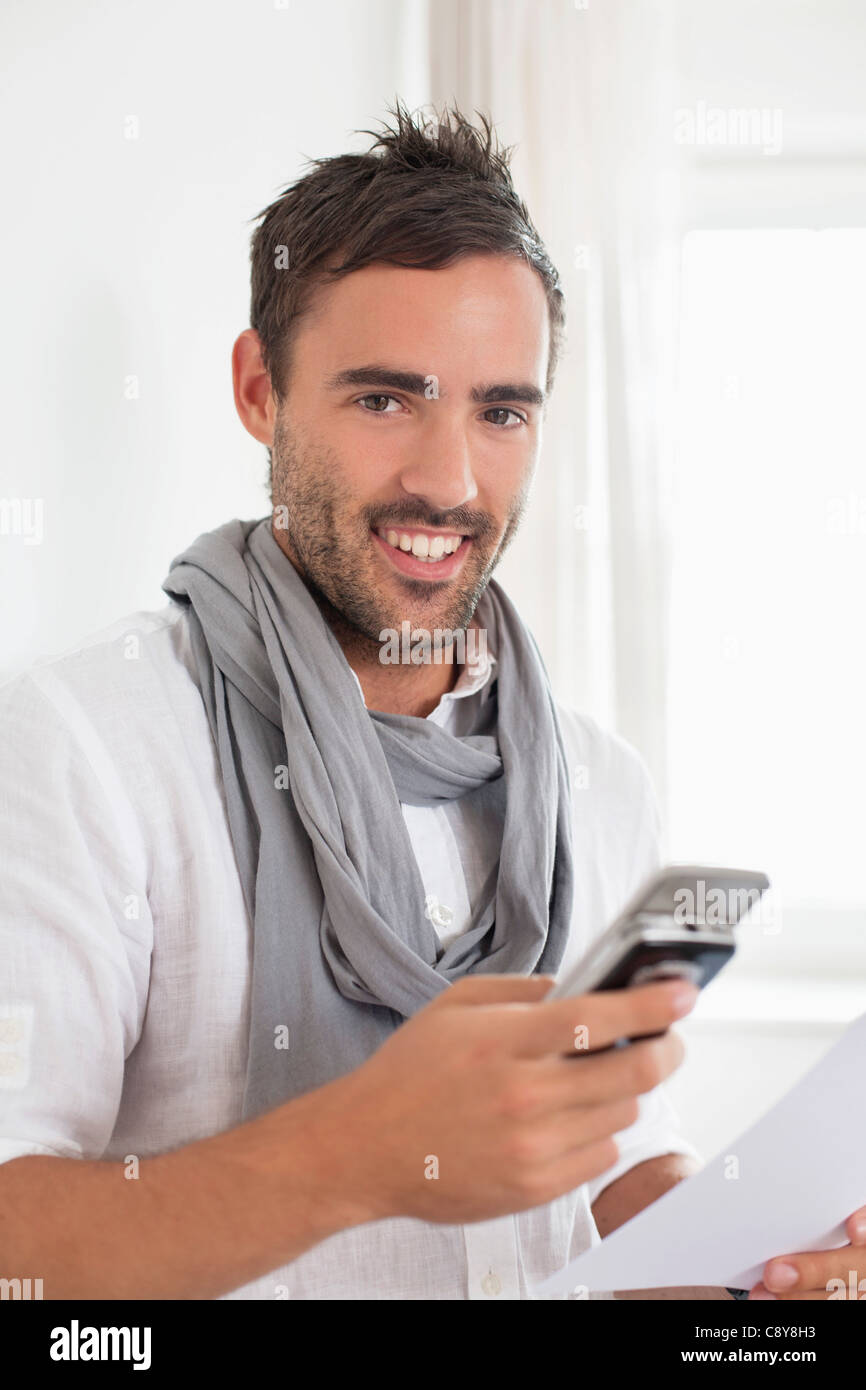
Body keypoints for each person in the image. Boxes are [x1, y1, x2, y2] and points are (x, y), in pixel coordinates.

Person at [1, 101, 858, 1302]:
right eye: (384, 399)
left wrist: (746, 1255)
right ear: (260, 389)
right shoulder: (88, 742)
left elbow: (589, 1179)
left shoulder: (596, 781)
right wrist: (359, 1155)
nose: (449, 479)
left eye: (500, 410)